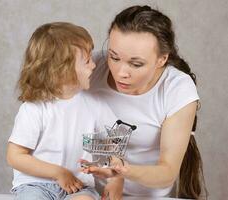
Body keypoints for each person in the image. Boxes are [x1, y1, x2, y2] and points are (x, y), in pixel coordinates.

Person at [81, 5, 207, 200]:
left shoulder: (177, 88)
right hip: (86, 193)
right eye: (114, 57)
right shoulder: (90, 69)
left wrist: (122, 171)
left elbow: (167, 172)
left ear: (161, 59)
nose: (121, 72)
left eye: (136, 64)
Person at [6, 22, 117, 200]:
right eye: (87, 61)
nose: (94, 65)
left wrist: (116, 178)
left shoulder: (95, 105)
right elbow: (15, 157)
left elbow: (115, 143)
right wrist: (58, 173)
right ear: (62, 71)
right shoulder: (34, 108)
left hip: (79, 186)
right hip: (36, 184)